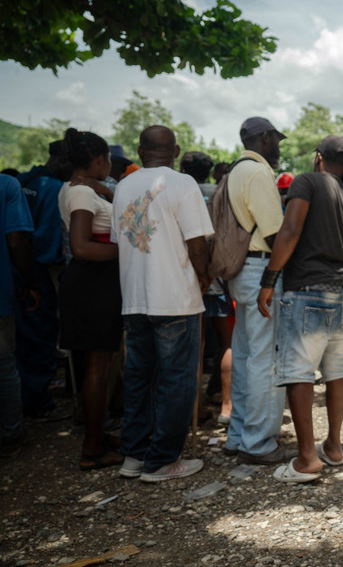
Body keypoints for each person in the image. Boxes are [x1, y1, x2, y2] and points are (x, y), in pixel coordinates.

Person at [255, 136, 343, 483]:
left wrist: (269, 279)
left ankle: (306, 458)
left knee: (298, 372)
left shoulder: (306, 181)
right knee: (335, 369)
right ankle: (333, 446)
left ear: (319, 157)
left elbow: (290, 230)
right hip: (340, 292)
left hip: (306, 290)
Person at [112, 126, 212, 482]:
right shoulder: (183, 184)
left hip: (135, 298)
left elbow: (118, 240)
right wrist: (205, 276)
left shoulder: (123, 186)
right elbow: (197, 245)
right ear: (176, 150)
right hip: (174, 299)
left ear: (140, 151)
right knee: (177, 381)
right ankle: (162, 460)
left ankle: (135, 456)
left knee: (138, 379)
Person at [57, 128, 123, 471]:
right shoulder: (82, 194)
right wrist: (125, 252)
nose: (110, 166)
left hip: (94, 283)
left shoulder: (81, 189)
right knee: (97, 369)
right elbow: (81, 246)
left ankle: (97, 433)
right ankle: (92, 447)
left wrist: (107, 191)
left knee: (100, 367)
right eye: (108, 160)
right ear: (98, 160)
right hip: (93, 284)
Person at [225, 117, 289, 464]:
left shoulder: (234, 170)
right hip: (260, 269)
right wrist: (279, 275)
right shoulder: (258, 172)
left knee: (246, 355)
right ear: (263, 138)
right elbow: (274, 233)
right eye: (275, 139)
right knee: (265, 360)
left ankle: (238, 435)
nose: (277, 146)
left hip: (240, 270)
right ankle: (258, 442)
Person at [14, 141, 71, 420]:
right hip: (38, 273)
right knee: (40, 334)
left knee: (22, 337)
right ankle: (38, 402)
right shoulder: (52, 188)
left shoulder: (23, 181)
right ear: (61, 160)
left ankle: (23, 397)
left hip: (15, 271)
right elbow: (49, 242)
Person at [181, 150, 234, 422]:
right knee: (227, 343)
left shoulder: (177, 190)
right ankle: (227, 406)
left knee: (195, 346)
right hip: (219, 276)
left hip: (189, 277)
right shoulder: (220, 193)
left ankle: (195, 407)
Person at [1, 174, 39, 458]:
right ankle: (11, 435)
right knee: (4, 366)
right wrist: (30, 281)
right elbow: (16, 241)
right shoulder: (6, 186)